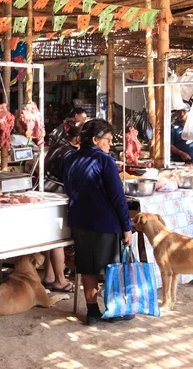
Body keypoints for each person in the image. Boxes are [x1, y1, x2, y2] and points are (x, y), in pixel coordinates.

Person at [63, 119, 134, 325]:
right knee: (111, 267)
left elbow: (68, 188)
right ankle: (113, 310)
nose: (110, 144)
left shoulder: (70, 159)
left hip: (79, 220)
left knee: (88, 267)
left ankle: (92, 312)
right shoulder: (105, 161)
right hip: (105, 221)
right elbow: (117, 197)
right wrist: (126, 226)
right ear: (95, 140)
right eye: (108, 140)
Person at [41, 119, 82, 293]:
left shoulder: (58, 145)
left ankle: (50, 276)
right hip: (57, 196)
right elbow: (72, 180)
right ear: (78, 138)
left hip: (48, 194)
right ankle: (60, 280)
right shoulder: (67, 154)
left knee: (52, 237)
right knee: (59, 238)